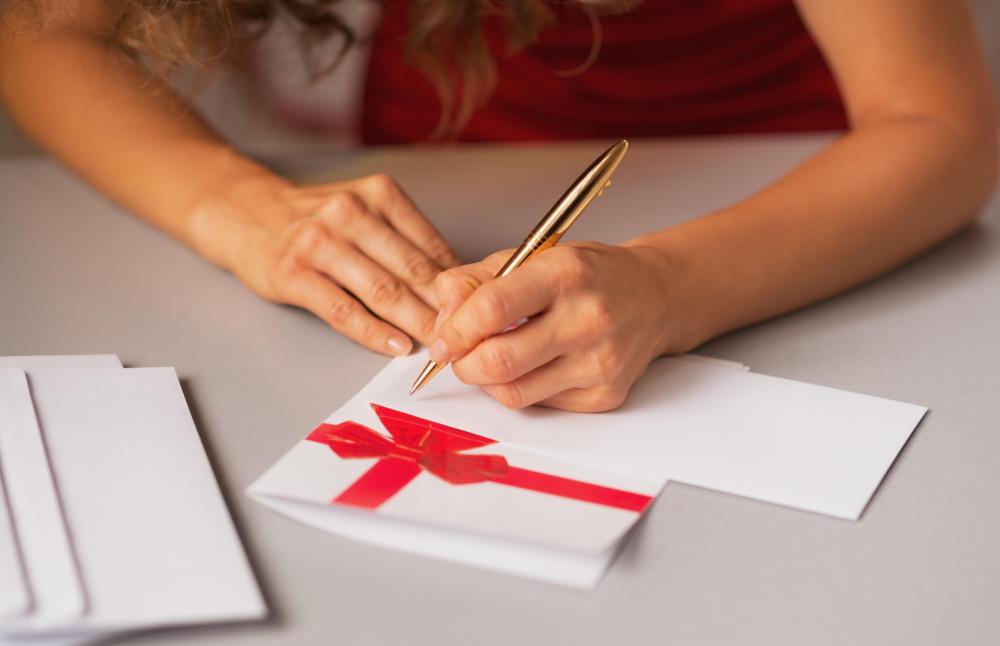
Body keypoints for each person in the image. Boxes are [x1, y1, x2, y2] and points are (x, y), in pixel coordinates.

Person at [1, 1, 996, 412]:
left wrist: (671, 283)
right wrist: (238, 207)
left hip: (796, 182)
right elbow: (38, 32)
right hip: (447, 149)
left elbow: (941, 126)